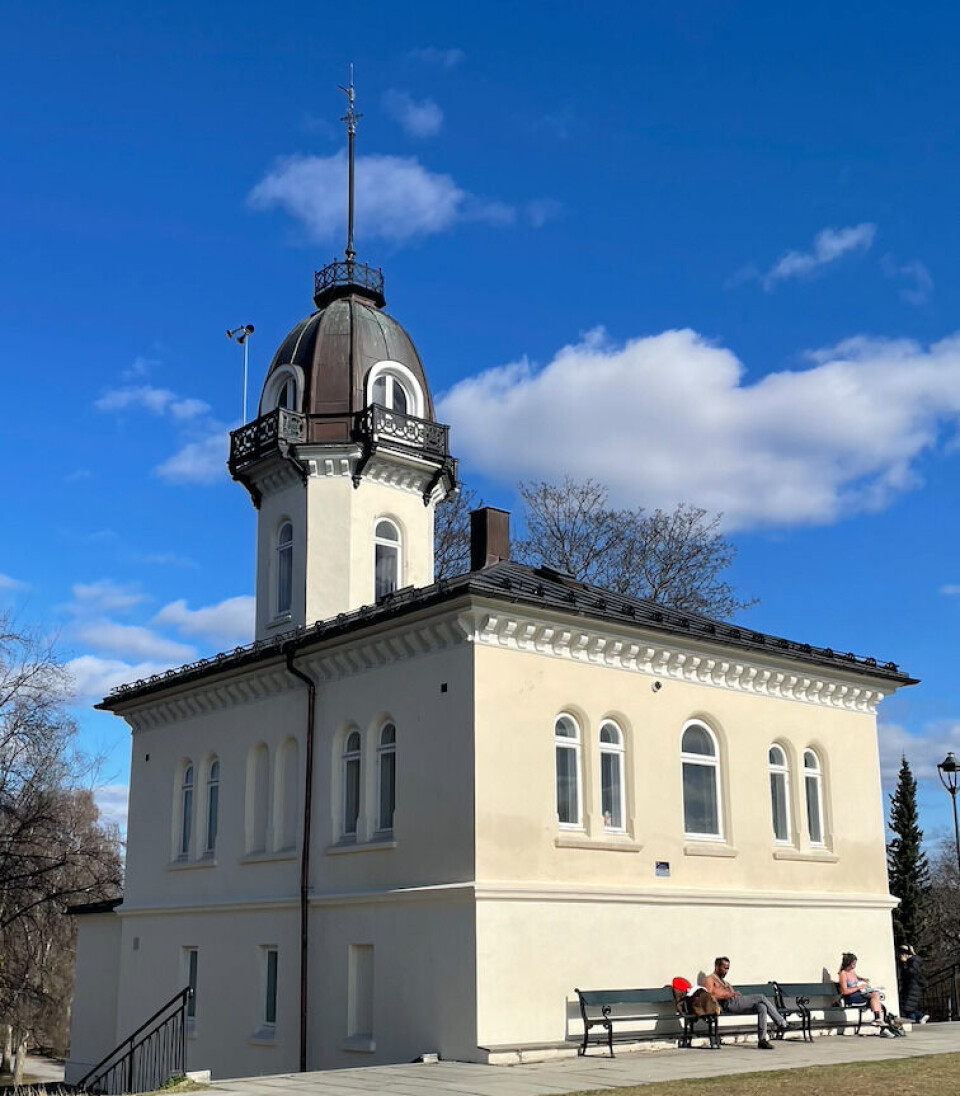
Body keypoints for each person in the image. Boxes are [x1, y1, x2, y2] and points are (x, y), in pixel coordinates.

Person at [702, 956, 788, 1049]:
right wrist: (727, 995)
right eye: (724, 968)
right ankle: (781, 1023)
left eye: (728, 969)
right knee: (761, 997)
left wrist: (733, 993)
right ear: (717, 966)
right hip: (728, 1003)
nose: (726, 971)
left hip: (735, 1002)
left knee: (762, 1007)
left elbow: (732, 994)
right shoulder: (709, 979)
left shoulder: (725, 982)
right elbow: (709, 995)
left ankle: (762, 1040)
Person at [838, 952, 888, 1033]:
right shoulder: (843, 974)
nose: (854, 966)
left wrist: (862, 979)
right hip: (851, 997)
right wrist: (858, 987)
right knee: (874, 997)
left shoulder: (852, 971)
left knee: (875, 994)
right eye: (853, 964)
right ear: (848, 963)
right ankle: (878, 1018)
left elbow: (856, 978)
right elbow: (845, 991)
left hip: (859, 994)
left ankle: (878, 1019)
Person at [897, 944, 929, 1024]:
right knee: (907, 1006)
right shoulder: (911, 961)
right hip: (909, 985)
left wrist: (904, 963)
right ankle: (919, 1017)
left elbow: (911, 972)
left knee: (908, 1007)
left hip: (912, 986)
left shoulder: (913, 960)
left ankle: (916, 1018)